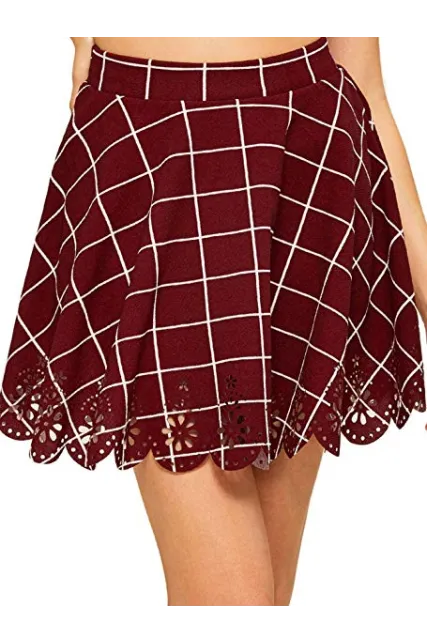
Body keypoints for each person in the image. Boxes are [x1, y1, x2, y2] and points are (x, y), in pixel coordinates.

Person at [1, 34, 426, 608]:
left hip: (305, 164)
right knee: (236, 600)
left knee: (265, 598)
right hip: (157, 167)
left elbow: (361, 75)